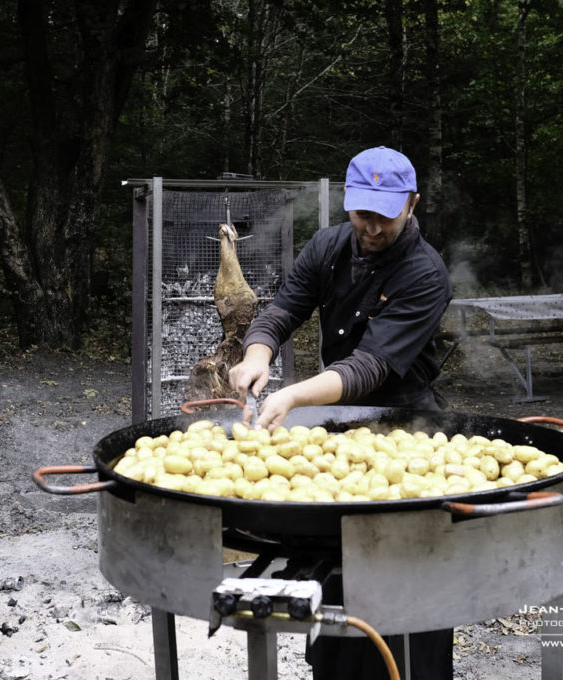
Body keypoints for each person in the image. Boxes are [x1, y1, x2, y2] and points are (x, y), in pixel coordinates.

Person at [228, 145, 454, 680]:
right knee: (340, 554)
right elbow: (284, 307)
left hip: (408, 426)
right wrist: (258, 353)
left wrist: (292, 395)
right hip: (343, 430)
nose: (371, 226)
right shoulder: (329, 245)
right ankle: (335, 661)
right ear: (347, 203)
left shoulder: (426, 273)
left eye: (385, 214)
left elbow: (370, 368)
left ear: (412, 203)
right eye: (361, 212)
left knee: (408, 565)